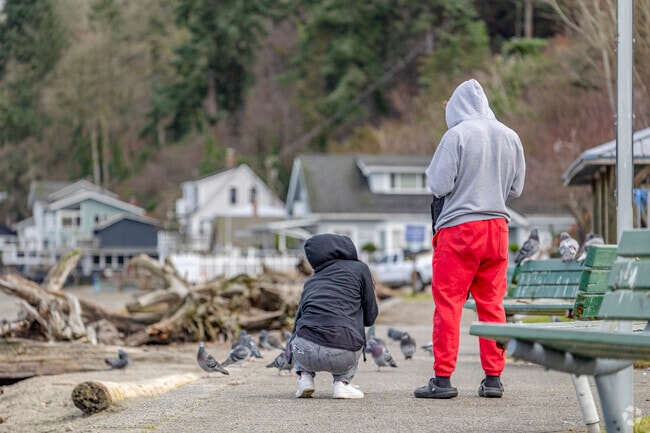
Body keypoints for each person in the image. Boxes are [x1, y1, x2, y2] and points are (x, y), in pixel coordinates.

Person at [414, 79, 526, 399]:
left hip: (460, 229)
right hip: (498, 228)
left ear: (455, 108)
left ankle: (443, 379)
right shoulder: (511, 136)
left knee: (449, 303)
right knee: (492, 305)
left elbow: (439, 184)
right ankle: (493, 379)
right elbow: (516, 189)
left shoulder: (457, 135)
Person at [290, 233, 378, 399]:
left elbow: (297, 324)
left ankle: (305, 377)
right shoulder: (360, 269)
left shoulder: (311, 280)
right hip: (341, 353)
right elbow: (370, 318)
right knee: (350, 329)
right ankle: (342, 383)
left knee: (303, 328)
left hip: (304, 352)